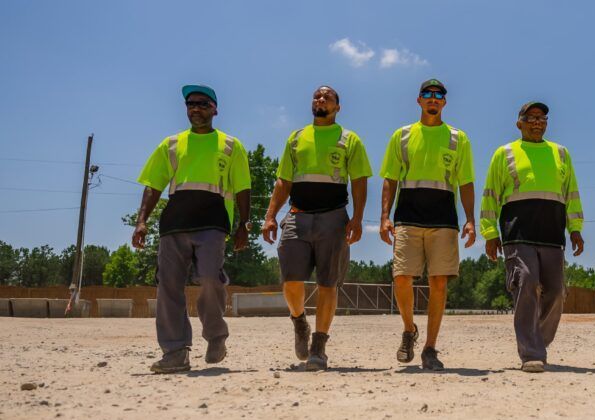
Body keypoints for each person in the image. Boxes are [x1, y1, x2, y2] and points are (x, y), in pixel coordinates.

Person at [133, 84, 251, 373]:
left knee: (210, 278)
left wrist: (243, 225)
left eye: (202, 103)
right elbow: (153, 186)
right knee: (168, 286)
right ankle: (175, 352)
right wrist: (141, 220)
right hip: (174, 223)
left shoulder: (231, 145)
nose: (195, 108)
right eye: (190, 104)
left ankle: (216, 336)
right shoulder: (171, 144)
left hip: (213, 222)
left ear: (215, 110)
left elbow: (243, 188)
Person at [262, 85, 371, 371]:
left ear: (337, 107)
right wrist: (270, 216)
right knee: (291, 282)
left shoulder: (349, 140)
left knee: (327, 284)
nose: (321, 99)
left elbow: (359, 181)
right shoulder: (297, 138)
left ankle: (319, 347)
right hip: (297, 217)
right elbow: (283, 181)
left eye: (328, 97)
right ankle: (299, 321)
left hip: (333, 219)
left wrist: (357, 218)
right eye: (317, 96)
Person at [378, 79, 475, 370]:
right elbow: (390, 179)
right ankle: (409, 330)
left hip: (443, 219)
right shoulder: (402, 136)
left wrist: (470, 219)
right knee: (401, 277)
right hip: (407, 216)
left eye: (438, 95)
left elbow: (466, 182)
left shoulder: (458, 138)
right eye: (427, 94)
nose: (433, 98)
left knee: (439, 282)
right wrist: (384, 216)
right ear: (419, 100)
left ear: (444, 102)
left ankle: (430, 348)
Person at [480, 102, 584, 373]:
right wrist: (490, 233)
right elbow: (490, 194)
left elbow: (571, 193)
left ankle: (538, 339)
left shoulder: (560, 153)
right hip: (518, 233)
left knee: (557, 292)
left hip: (552, 233)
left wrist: (575, 228)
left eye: (542, 117)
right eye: (531, 117)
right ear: (519, 123)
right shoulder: (504, 153)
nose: (537, 122)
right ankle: (531, 352)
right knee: (526, 282)